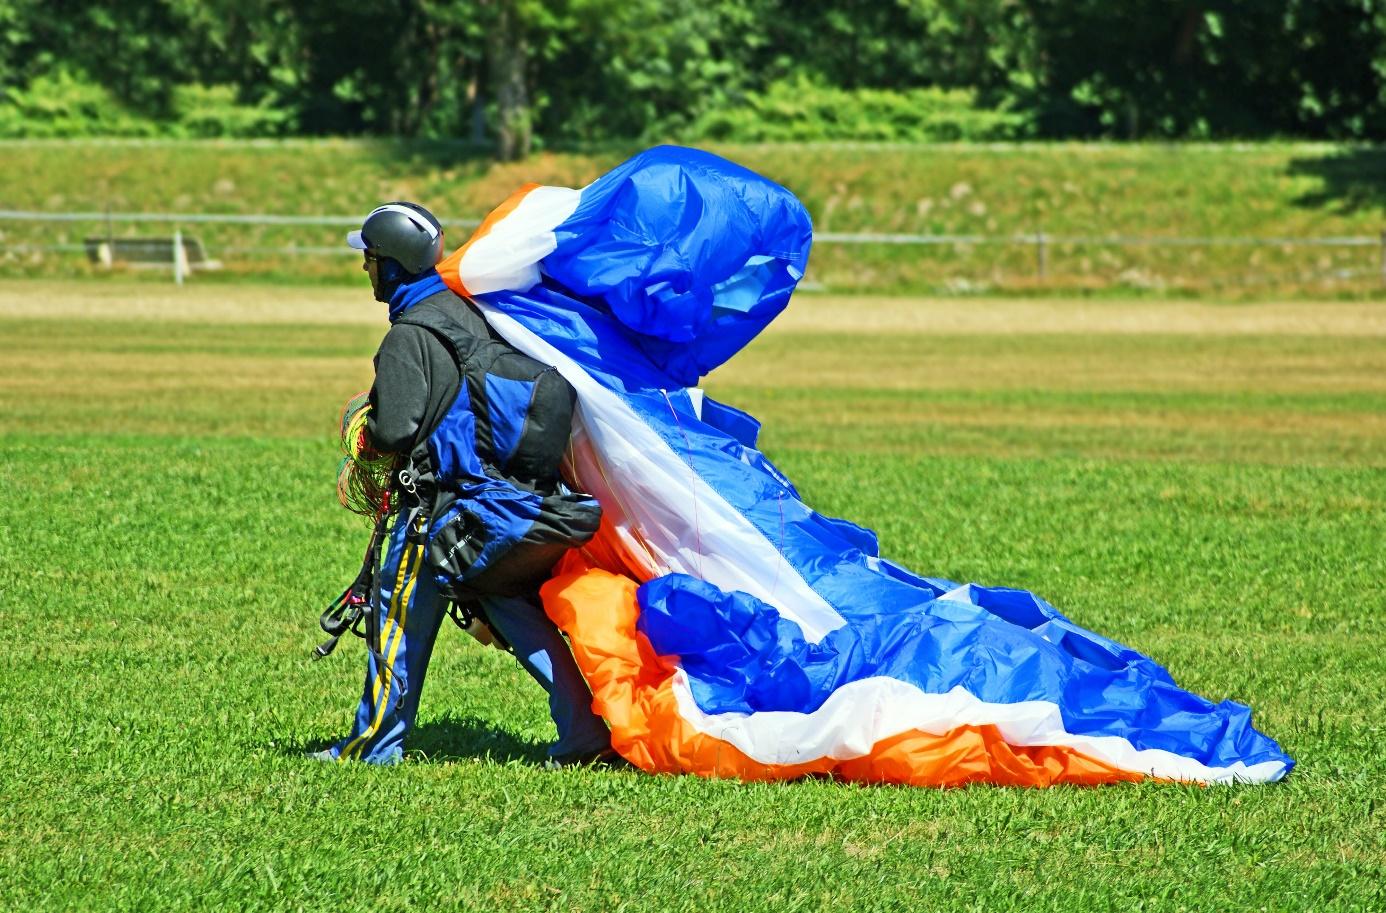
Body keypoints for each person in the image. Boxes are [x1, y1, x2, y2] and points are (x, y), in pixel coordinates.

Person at [318, 201, 614, 767]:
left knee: (396, 624)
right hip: (494, 511)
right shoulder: (465, 312)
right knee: (518, 616)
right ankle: (585, 734)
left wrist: (369, 433)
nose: (366, 269)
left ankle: (372, 747)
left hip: (436, 515)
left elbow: (398, 427)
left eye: (371, 258)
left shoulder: (411, 334)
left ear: (393, 266)